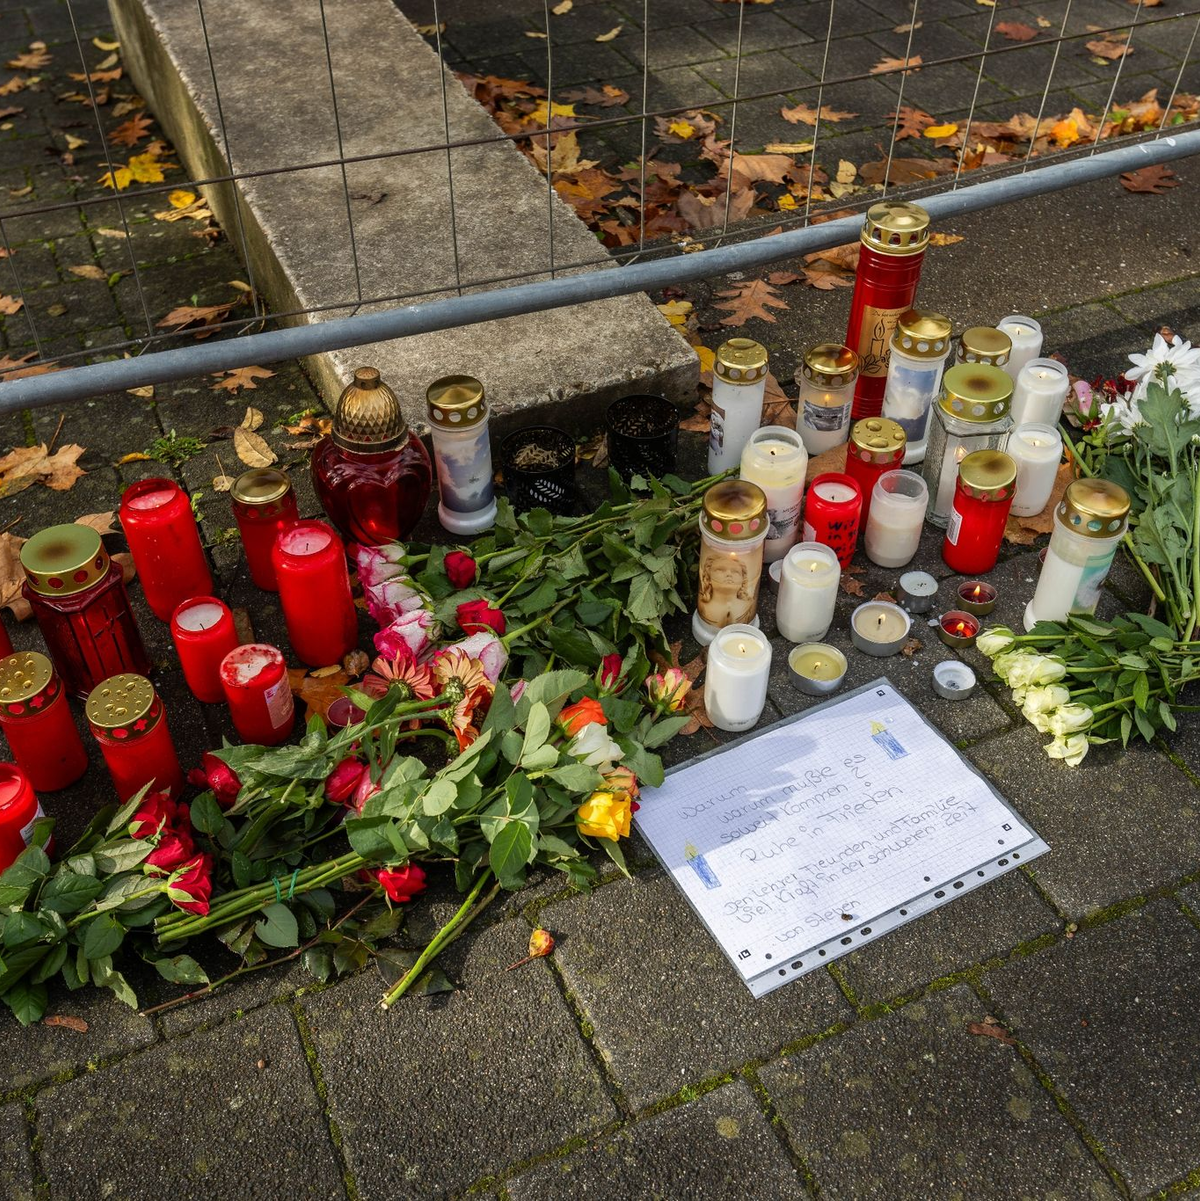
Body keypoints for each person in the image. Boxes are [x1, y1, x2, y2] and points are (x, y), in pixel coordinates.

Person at [698, 554, 756, 627]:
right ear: (708, 578)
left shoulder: (749, 607)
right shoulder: (703, 607)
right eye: (720, 570)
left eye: (735, 571)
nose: (729, 574)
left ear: (742, 580)